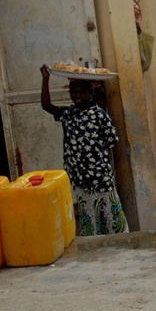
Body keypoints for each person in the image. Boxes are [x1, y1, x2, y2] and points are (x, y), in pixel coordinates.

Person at [40, 65, 129, 235]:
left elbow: (111, 142)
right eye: (73, 92)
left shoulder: (100, 115)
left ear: (90, 94)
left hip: (100, 178)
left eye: (81, 92)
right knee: (89, 219)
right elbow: (46, 106)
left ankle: (118, 244)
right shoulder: (69, 114)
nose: (77, 96)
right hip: (80, 179)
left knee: (111, 218)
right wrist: (45, 79)